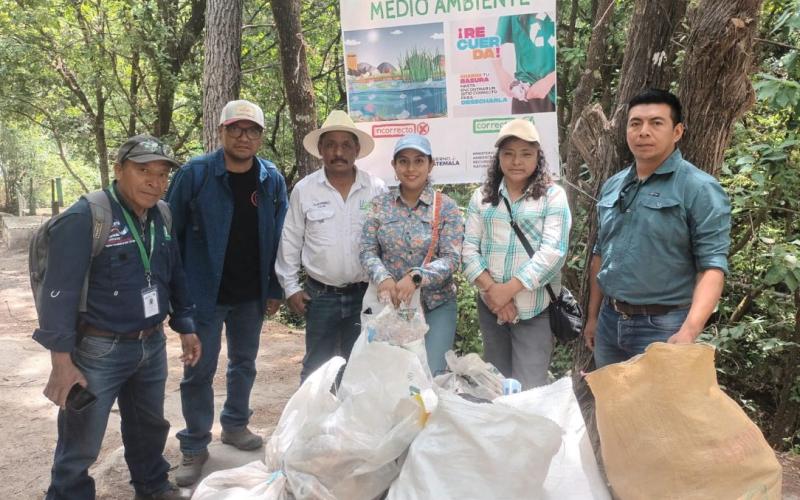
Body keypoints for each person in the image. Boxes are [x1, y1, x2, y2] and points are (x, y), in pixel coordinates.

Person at [33, 134, 201, 500]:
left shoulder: (163, 214)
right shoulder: (85, 218)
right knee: (82, 439)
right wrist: (61, 363)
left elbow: (173, 274)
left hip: (150, 345)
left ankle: (153, 486)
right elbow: (57, 295)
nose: (155, 183)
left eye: (162, 175)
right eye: (144, 171)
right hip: (98, 350)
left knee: (149, 427)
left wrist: (185, 325)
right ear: (119, 169)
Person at [166, 100, 288, 486]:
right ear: (221, 131)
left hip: (250, 293)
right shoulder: (196, 174)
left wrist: (274, 287)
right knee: (198, 370)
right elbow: (171, 233)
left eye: (252, 130)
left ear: (261, 137)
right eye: (235, 129)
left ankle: (235, 424)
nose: (243, 137)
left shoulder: (271, 178)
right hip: (203, 293)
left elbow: (280, 237)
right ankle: (195, 444)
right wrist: (176, 293)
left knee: (244, 362)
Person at [583, 89, 731, 368]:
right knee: (612, 409)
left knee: (659, 411)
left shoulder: (699, 188)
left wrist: (689, 330)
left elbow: (712, 266)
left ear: (677, 132)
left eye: (656, 123)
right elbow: (601, 252)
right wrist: (593, 317)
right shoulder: (614, 185)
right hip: (609, 322)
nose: (643, 132)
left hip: (664, 326)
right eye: (635, 123)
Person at [275, 110, 386, 382]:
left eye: (346, 145)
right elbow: (290, 239)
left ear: (357, 150)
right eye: (331, 145)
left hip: (365, 295)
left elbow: (387, 242)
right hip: (320, 296)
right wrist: (291, 287)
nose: (338, 152)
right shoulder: (305, 190)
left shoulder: (376, 189)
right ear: (321, 150)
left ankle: (352, 424)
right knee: (317, 369)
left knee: (360, 368)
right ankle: (313, 424)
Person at [462, 119, 571, 389]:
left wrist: (508, 290)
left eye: (526, 153)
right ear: (498, 157)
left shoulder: (553, 196)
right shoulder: (482, 197)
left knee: (530, 388)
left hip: (535, 309)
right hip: (491, 308)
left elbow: (553, 252)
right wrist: (494, 293)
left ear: (538, 157)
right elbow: (468, 251)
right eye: (508, 153)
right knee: (495, 385)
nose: (516, 161)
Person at [359, 134, 464, 375]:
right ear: (394, 167)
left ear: (430, 165)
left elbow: (452, 258)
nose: (411, 168)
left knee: (431, 374)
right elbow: (367, 249)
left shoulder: (446, 207)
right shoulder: (379, 205)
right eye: (403, 161)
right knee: (390, 376)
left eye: (418, 161)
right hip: (390, 306)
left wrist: (417, 277)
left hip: (435, 304)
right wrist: (383, 277)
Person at [493, 13, 557, 114]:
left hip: (557, 90)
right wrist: (500, 71)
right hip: (527, 91)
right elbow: (494, 43)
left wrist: (549, 80)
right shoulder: (512, 9)